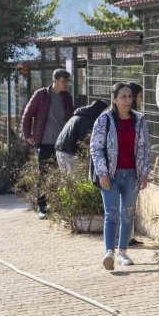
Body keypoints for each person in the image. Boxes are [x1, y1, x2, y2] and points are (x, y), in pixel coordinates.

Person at [90, 83, 151, 271]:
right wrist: (102, 173)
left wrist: (144, 174)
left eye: (130, 97)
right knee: (112, 213)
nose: (127, 101)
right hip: (111, 175)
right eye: (123, 97)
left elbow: (145, 148)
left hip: (132, 175)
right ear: (114, 99)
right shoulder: (104, 120)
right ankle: (109, 252)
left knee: (128, 213)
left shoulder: (139, 120)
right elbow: (96, 147)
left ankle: (123, 252)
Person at [21, 69, 74, 219]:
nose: (66, 84)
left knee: (62, 174)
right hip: (44, 142)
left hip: (62, 144)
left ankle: (58, 205)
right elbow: (27, 115)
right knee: (44, 175)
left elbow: (71, 118)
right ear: (55, 80)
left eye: (67, 81)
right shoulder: (41, 95)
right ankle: (42, 206)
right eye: (64, 81)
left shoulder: (67, 98)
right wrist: (28, 135)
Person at [55, 99, 108, 173]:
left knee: (67, 179)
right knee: (75, 180)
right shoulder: (87, 120)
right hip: (69, 152)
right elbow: (83, 141)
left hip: (61, 149)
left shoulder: (80, 115)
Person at [125, 82, 145, 247]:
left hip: (132, 167)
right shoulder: (130, 117)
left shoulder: (136, 117)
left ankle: (127, 237)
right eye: (139, 96)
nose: (140, 99)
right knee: (126, 206)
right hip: (124, 168)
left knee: (128, 205)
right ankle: (124, 238)